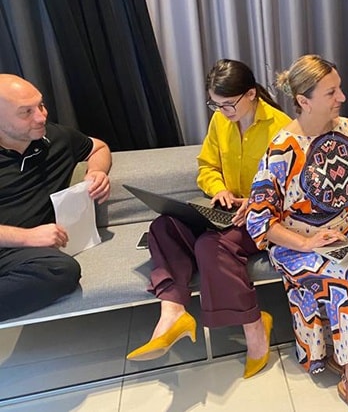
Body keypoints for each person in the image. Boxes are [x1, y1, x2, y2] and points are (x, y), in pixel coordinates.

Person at [246, 54, 348, 412]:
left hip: (343, 234)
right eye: (331, 92)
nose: (342, 98)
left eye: (339, 88)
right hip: (296, 244)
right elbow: (260, 220)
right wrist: (307, 242)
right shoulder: (281, 149)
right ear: (304, 101)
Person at [126, 59, 291, 380]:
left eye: (228, 104)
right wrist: (219, 191)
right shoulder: (221, 123)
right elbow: (207, 167)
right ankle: (173, 311)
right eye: (215, 105)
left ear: (252, 94)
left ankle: (255, 326)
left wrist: (255, 202)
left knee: (210, 245)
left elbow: (292, 188)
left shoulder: (281, 127)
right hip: (228, 212)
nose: (223, 111)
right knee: (163, 226)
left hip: (266, 218)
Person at [0, 74, 111, 321]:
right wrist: (27, 237)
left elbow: (98, 147)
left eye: (40, 105)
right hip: (16, 244)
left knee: (60, 269)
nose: (41, 116)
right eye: (25, 112)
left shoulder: (53, 138)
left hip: (21, 259)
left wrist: (97, 171)